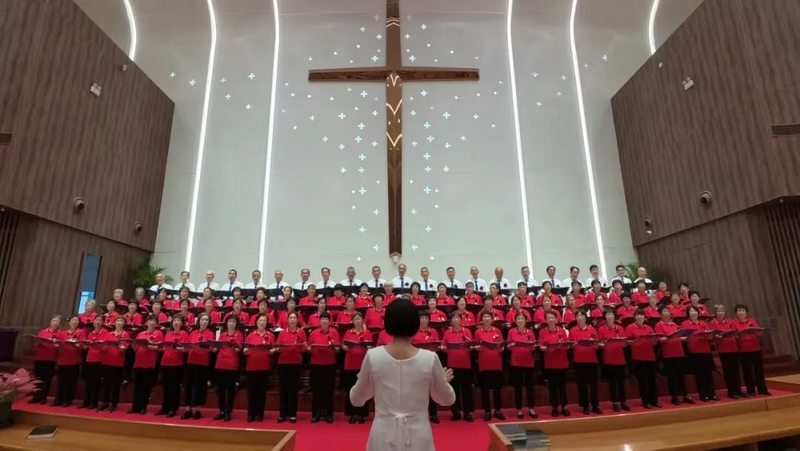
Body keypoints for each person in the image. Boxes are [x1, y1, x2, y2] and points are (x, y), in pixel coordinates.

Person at [350, 298, 455, 451]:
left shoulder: (373, 356)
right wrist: (443, 381)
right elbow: (446, 399)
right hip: (418, 436)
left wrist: (364, 379)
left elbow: (356, 399)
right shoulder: (429, 358)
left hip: (383, 435)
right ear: (416, 324)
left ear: (387, 324)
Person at [656, 306, 693, 405]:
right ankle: (674, 396)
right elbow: (659, 339)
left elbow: (680, 337)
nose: (667, 312)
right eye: (665, 311)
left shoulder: (674, 324)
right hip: (668, 355)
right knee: (672, 377)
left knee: (681, 376)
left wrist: (686, 337)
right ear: (660, 314)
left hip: (679, 353)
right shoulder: (659, 325)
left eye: (668, 311)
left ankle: (685, 395)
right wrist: (665, 339)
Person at [244, 314, 278, 422]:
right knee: (252, 392)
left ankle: (260, 414)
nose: (262, 322)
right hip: (251, 367)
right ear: (256, 322)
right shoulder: (250, 335)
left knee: (261, 392)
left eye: (264, 321)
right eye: (260, 320)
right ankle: (251, 414)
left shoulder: (271, 335)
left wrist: (273, 351)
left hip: (264, 367)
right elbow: (245, 351)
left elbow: (274, 349)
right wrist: (250, 350)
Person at [441, 312, 474, 421]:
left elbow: (471, 346)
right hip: (452, 365)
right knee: (453, 390)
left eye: (458, 318)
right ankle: (456, 413)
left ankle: (467, 412)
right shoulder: (447, 332)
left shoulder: (467, 331)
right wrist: (444, 348)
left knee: (466, 390)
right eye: (454, 318)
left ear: (461, 320)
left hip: (465, 364)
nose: (456, 320)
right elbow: (443, 346)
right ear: (451, 320)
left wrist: (470, 347)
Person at [308, 312, 340, 423]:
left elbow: (338, 349)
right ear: (320, 321)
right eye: (322, 319)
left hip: (329, 364)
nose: (324, 321)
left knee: (328, 390)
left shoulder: (334, 332)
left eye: (326, 319)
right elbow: (309, 349)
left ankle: (328, 413)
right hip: (316, 364)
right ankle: (316, 413)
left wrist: (332, 348)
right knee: (316, 390)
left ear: (329, 321)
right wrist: (311, 348)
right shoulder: (314, 333)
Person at [733, 304, 771, 397]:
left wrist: (756, 332)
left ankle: (762, 389)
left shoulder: (751, 321)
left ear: (746, 312)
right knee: (747, 371)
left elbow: (758, 333)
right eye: (739, 311)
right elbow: (733, 336)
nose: (741, 312)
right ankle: (751, 390)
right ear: (736, 313)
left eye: (743, 311)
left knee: (759, 370)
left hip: (755, 348)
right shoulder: (734, 323)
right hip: (743, 351)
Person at [681, 306, 718, 402]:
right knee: (699, 375)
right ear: (688, 314)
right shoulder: (685, 324)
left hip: (706, 351)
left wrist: (709, 335)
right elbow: (681, 338)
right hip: (694, 353)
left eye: (695, 311)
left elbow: (709, 337)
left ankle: (712, 394)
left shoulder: (703, 323)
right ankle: (703, 394)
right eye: (691, 311)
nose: (693, 313)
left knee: (708, 374)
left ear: (698, 313)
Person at [473, 311, 505, 421]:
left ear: (492, 319)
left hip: (496, 364)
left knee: (497, 390)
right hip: (484, 365)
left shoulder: (497, 331)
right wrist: (477, 348)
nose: (487, 319)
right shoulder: (478, 332)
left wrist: (501, 348)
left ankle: (497, 410)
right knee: (485, 390)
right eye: (485, 317)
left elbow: (502, 346)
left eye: (488, 317)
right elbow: (475, 346)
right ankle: (487, 411)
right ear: (482, 319)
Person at [626, 309, 661, 409]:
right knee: (642, 381)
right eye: (637, 315)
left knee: (652, 380)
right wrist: (637, 340)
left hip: (650, 357)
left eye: (641, 315)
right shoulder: (630, 327)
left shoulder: (649, 328)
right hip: (638, 358)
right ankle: (646, 401)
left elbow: (653, 343)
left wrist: (655, 340)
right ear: (634, 317)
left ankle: (654, 400)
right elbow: (628, 342)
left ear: (644, 317)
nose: (640, 317)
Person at [412, 311, 443, 423]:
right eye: (422, 318)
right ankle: (418, 414)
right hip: (417, 363)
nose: (424, 320)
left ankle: (433, 414)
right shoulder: (413, 332)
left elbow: (438, 346)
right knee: (418, 390)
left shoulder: (433, 331)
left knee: (432, 389)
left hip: (431, 362)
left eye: (426, 318)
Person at [342, 312, 373, 423]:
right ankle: (352, 413)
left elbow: (371, 346)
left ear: (362, 320)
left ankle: (361, 414)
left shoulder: (367, 333)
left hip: (363, 364)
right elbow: (343, 345)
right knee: (350, 389)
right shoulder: (348, 332)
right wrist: (345, 347)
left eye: (359, 318)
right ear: (353, 321)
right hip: (350, 363)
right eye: (355, 319)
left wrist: (367, 346)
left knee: (362, 390)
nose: (357, 321)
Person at [276, 312, 307, 423]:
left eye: (294, 318)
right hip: (283, 363)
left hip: (296, 363)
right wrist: (283, 348)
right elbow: (277, 348)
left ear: (297, 320)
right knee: (283, 389)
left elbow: (304, 349)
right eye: (291, 318)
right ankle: (282, 414)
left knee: (293, 389)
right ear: (288, 320)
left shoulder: (302, 332)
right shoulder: (282, 333)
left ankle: (292, 414)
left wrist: (302, 347)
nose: (292, 320)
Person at [183, 312, 214, 420]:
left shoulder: (210, 334)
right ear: (198, 321)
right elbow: (187, 347)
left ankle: (197, 410)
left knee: (200, 387)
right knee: (189, 386)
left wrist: (198, 348)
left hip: (203, 363)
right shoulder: (192, 333)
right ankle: (188, 409)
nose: (204, 322)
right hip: (191, 362)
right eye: (202, 319)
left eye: (206, 320)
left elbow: (210, 348)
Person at [710, 304, 746, 399]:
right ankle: (731, 391)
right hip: (724, 350)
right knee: (728, 371)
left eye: (722, 311)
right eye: (718, 311)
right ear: (715, 313)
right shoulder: (713, 323)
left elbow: (736, 332)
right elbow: (713, 337)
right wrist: (718, 337)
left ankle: (738, 389)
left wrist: (736, 335)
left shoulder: (730, 321)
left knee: (736, 371)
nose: (721, 313)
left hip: (734, 348)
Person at [129, 315, 163, 415]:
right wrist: (134, 345)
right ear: (146, 322)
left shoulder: (159, 333)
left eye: (154, 321)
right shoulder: (140, 334)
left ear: (156, 323)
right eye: (150, 320)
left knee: (146, 387)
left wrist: (149, 346)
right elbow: (135, 349)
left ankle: (143, 407)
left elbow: (160, 348)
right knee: (137, 386)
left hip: (150, 363)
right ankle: (135, 406)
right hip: (139, 362)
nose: (151, 322)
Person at [597, 309, 630, 411]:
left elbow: (624, 343)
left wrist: (624, 343)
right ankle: (615, 402)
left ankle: (623, 401)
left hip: (620, 359)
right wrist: (604, 344)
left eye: (611, 314)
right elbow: (599, 344)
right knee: (612, 382)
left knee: (621, 382)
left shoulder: (620, 328)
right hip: (609, 359)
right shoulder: (602, 329)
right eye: (608, 315)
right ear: (605, 317)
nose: (610, 316)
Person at [212, 316, 243, 422]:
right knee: (220, 390)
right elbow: (217, 348)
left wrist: (236, 348)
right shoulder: (222, 334)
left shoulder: (239, 334)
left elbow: (239, 349)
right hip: (220, 364)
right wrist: (214, 348)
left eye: (233, 321)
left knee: (230, 390)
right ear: (227, 323)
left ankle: (228, 411)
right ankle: (221, 410)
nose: (231, 323)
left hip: (232, 365)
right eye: (230, 321)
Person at [539, 311, 570, 417]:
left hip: (562, 363)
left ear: (556, 320)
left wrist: (562, 345)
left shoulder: (562, 331)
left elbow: (567, 345)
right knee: (552, 387)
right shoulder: (542, 332)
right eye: (548, 318)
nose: (551, 320)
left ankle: (564, 407)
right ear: (546, 320)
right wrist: (548, 348)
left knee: (562, 386)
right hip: (550, 363)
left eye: (552, 318)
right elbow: (541, 347)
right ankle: (554, 407)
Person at [570, 311, 602, 415]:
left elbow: (598, 345)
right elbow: (570, 345)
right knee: (582, 385)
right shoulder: (572, 330)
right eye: (578, 316)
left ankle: (595, 405)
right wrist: (574, 345)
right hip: (579, 361)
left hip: (592, 360)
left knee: (594, 385)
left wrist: (593, 344)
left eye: (582, 316)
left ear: (585, 318)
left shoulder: (592, 329)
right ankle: (585, 406)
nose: (580, 318)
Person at [507, 311, 537, 419]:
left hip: (528, 362)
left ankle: (531, 408)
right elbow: (508, 346)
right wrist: (512, 345)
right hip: (516, 362)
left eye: (522, 319)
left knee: (530, 386)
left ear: (525, 321)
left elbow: (534, 347)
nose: (520, 321)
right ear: (515, 321)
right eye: (518, 319)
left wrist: (530, 347)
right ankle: (519, 409)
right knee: (518, 387)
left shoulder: (530, 332)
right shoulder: (511, 332)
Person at [98, 316, 129, 413]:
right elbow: (103, 346)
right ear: (114, 323)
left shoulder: (125, 334)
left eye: (121, 321)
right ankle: (105, 402)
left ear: (124, 323)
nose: (119, 323)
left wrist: (118, 346)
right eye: (117, 321)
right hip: (106, 361)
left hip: (117, 362)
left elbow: (125, 348)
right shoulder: (109, 334)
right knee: (106, 383)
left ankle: (114, 403)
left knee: (115, 384)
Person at [159, 316, 188, 417]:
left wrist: (176, 347)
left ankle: (173, 408)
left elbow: (184, 348)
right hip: (165, 362)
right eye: (174, 321)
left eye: (178, 321)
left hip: (176, 363)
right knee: (165, 387)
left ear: (182, 324)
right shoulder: (168, 333)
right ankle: (164, 407)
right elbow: (163, 347)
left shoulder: (184, 334)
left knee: (174, 387)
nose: (176, 322)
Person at [53, 316, 83, 407]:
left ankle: (67, 400)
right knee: (61, 381)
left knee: (71, 382)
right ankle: (58, 399)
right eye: (72, 320)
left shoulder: (81, 332)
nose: (74, 322)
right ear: (69, 322)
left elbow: (82, 345)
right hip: (62, 360)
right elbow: (58, 345)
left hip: (74, 360)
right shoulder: (62, 333)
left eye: (76, 320)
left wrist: (76, 344)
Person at [31, 315, 61, 405]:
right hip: (40, 359)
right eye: (54, 321)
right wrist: (37, 341)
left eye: (57, 321)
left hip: (51, 360)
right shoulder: (43, 332)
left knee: (47, 380)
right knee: (37, 379)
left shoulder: (60, 334)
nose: (55, 323)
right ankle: (36, 397)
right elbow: (36, 344)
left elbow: (61, 347)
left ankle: (43, 397)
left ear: (59, 324)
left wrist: (55, 345)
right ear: (50, 322)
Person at [79, 315, 105, 409]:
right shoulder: (90, 333)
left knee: (96, 383)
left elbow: (105, 347)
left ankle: (94, 403)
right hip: (89, 359)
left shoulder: (105, 333)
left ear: (102, 323)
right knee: (88, 381)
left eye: (99, 320)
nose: (97, 322)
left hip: (99, 360)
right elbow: (87, 347)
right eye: (96, 320)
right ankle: (86, 401)